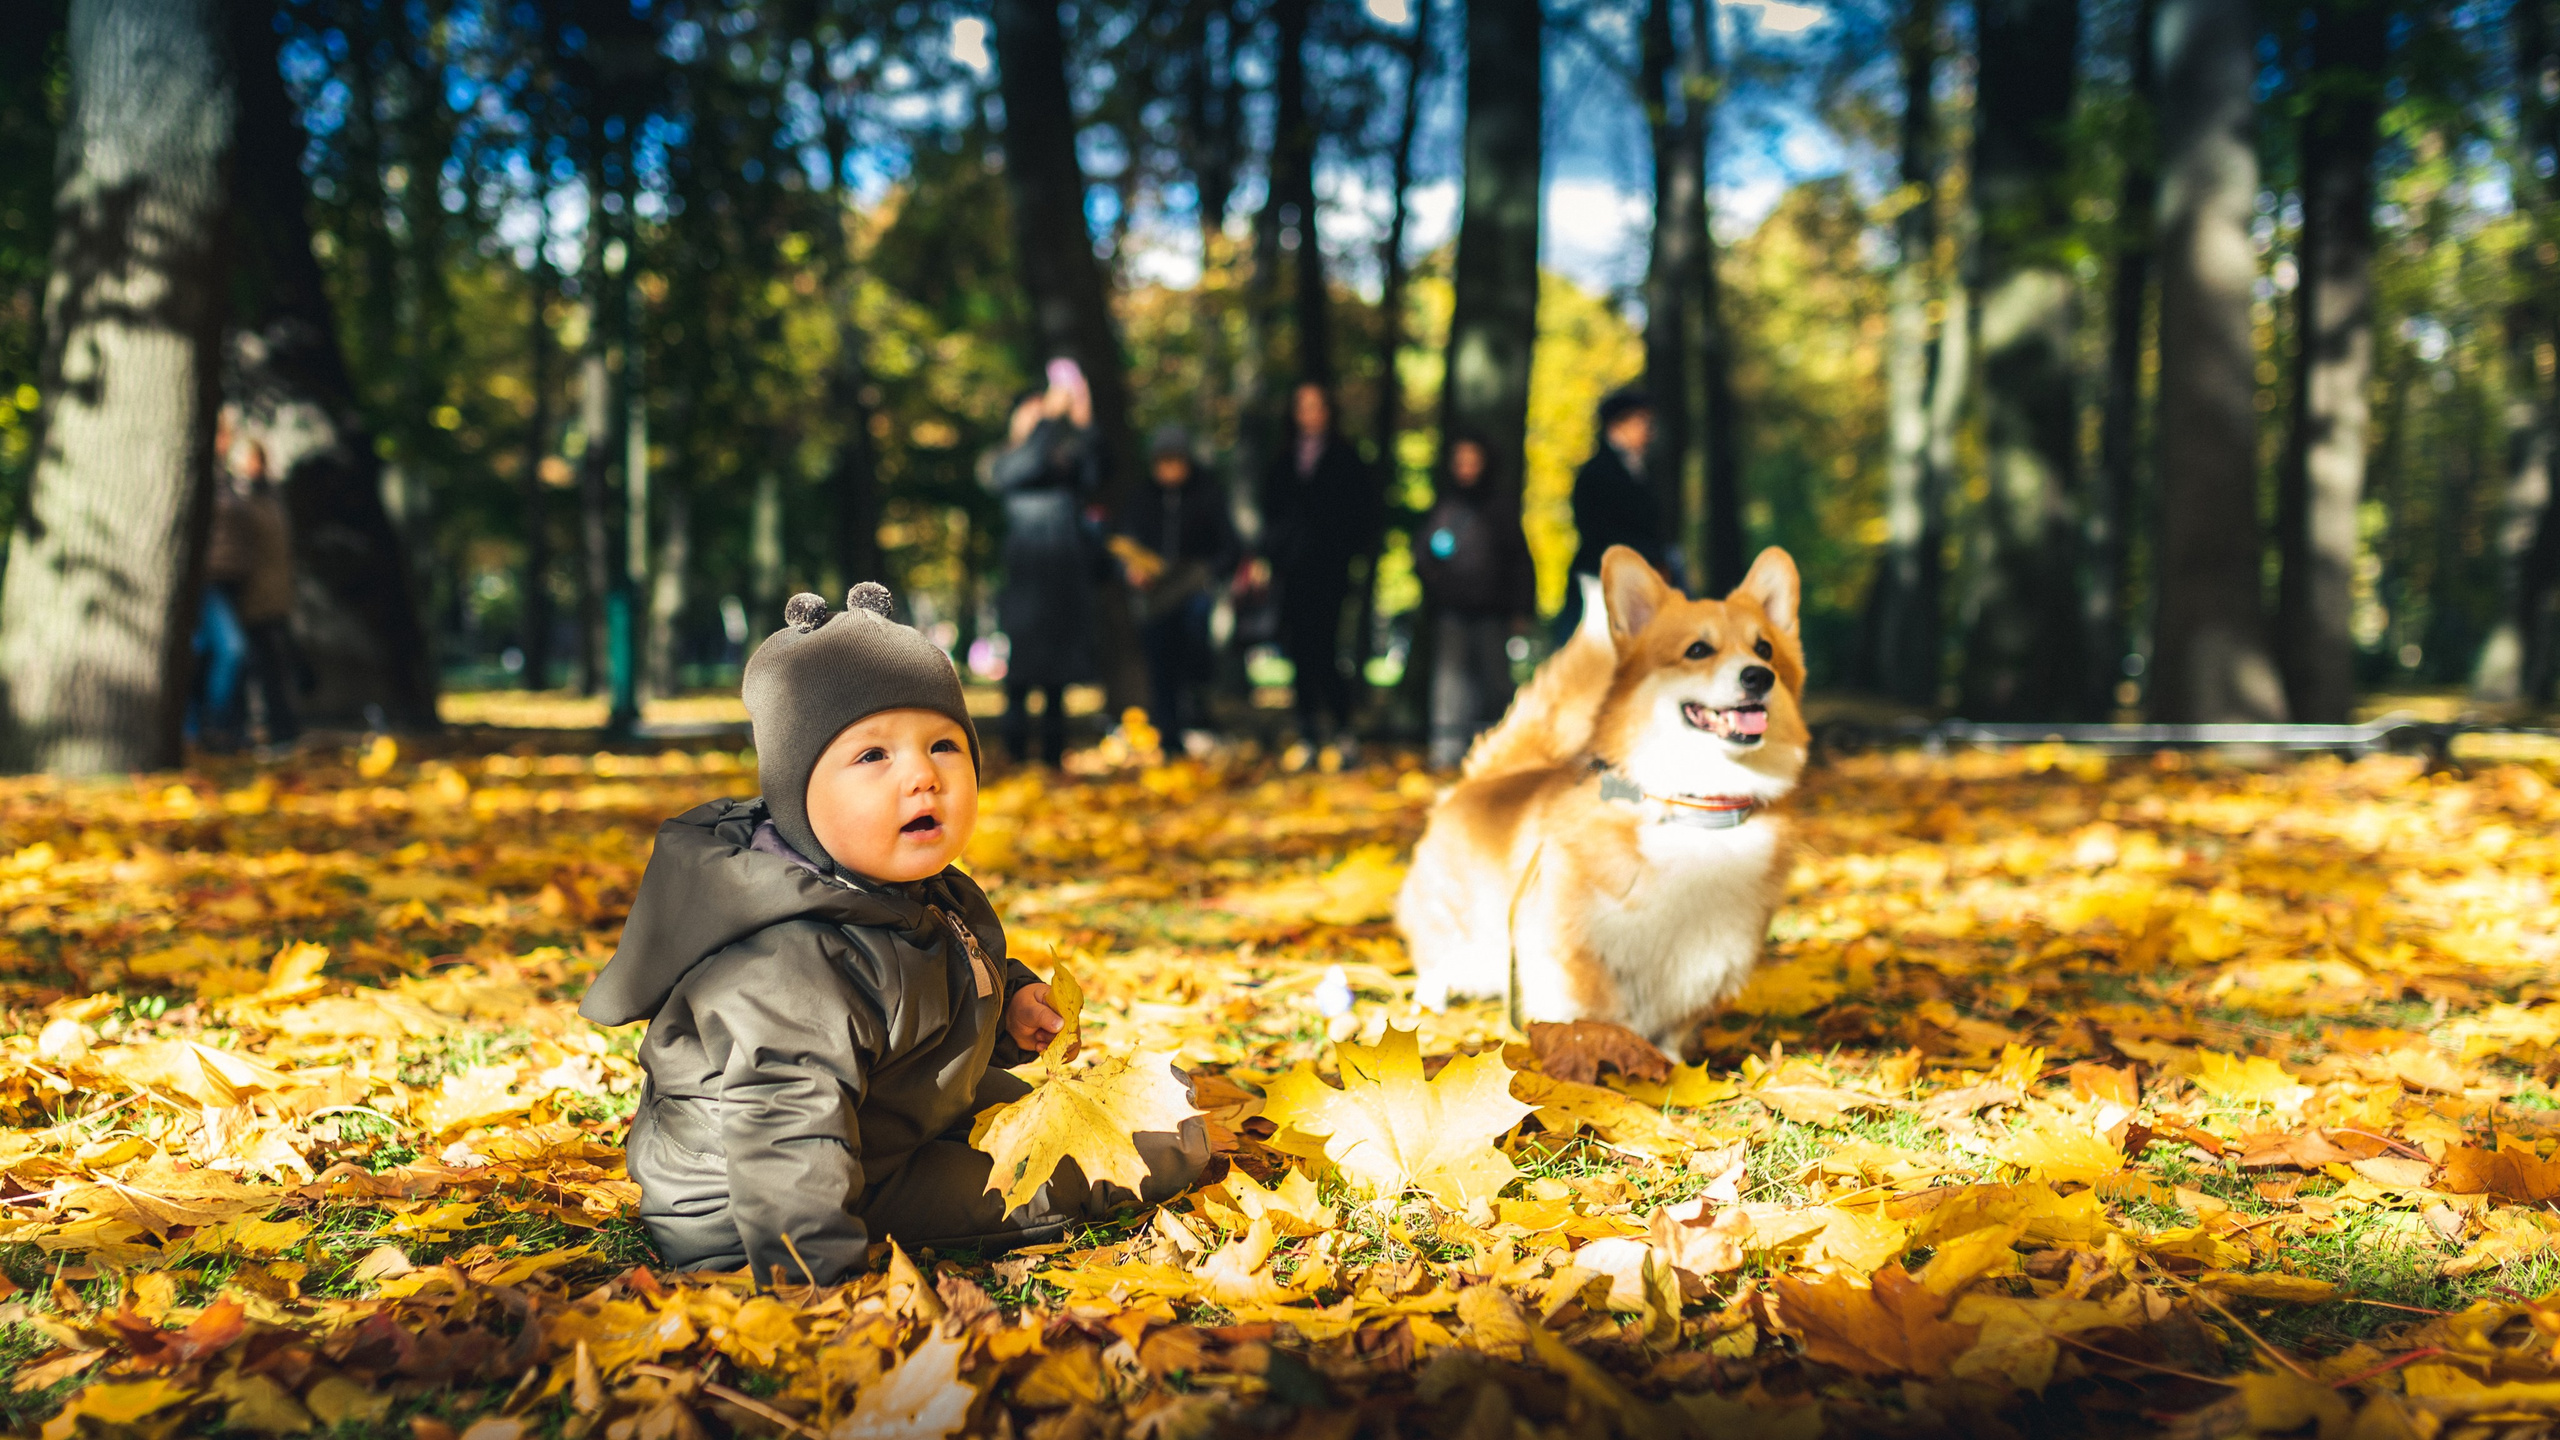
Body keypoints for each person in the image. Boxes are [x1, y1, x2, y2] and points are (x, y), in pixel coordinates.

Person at [580, 582, 1207, 1285]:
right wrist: (816, 1286)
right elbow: (788, 1140)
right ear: (798, 794)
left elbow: (929, 995)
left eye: (943, 745)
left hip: (887, 1118)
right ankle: (1148, 1151)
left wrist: (1013, 1004)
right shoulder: (789, 959)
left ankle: (1151, 1118)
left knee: (1101, 1108)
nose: (922, 776)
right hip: (767, 1205)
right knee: (1111, 1155)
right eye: (872, 756)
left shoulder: (907, 890)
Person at [987, 361, 1102, 766]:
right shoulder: (1006, 463)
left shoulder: (1060, 466)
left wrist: (1082, 419)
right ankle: (1015, 751)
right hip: (1025, 581)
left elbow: (1093, 469)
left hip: (1062, 581)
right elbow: (1027, 463)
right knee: (1020, 676)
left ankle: (1053, 754)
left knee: (1057, 678)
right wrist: (1049, 419)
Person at [1255, 380, 1378, 751]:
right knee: (1298, 649)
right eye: (1302, 406)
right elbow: (1271, 515)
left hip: (1329, 570)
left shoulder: (1346, 459)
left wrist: (1344, 553)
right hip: (1291, 571)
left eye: (1316, 406)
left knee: (1325, 647)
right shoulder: (1282, 460)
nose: (1309, 415)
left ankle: (1342, 727)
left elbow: (1362, 517)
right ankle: (1307, 729)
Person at [1412, 432, 1536, 768]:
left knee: (1494, 681)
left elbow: (1519, 560)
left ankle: (1497, 750)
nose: (1466, 468)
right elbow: (1423, 554)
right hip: (1451, 609)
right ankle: (1446, 751)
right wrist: (1436, 584)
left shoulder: (1500, 508)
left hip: (1492, 610)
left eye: (1472, 460)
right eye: (1460, 460)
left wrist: (1521, 607)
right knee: (1450, 682)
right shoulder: (1444, 506)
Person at [1111, 425, 1240, 741]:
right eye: (1162, 461)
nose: (1169, 469)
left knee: (1195, 650)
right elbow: (1123, 544)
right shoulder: (1141, 499)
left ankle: (1197, 715)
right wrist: (1130, 571)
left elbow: (1229, 547)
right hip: (1155, 597)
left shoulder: (1207, 494)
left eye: (1175, 460)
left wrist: (1206, 572)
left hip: (1195, 591)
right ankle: (1169, 735)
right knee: (1160, 665)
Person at [1558, 385, 1679, 640]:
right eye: (1641, 422)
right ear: (1618, 425)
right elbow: (1598, 531)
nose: (1648, 430)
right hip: (1603, 580)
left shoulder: (1638, 472)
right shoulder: (1597, 473)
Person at [222, 440, 300, 749]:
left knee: (271, 667)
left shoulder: (270, 499)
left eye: (258, 461)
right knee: (245, 663)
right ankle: (237, 731)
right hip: (246, 595)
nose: (255, 468)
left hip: (272, 596)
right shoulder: (238, 501)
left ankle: (280, 730)